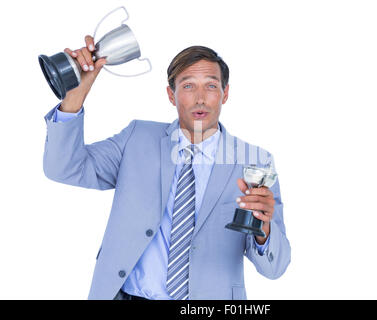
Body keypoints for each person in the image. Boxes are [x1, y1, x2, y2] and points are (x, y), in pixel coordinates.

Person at [43, 35, 291, 300]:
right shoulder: (137, 138)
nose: (200, 99)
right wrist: (74, 99)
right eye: (188, 86)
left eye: (210, 86)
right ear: (171, 95)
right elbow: (63, 168)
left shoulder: (253, 161)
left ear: (225, 93)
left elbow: (275, 267)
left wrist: (263, 230)